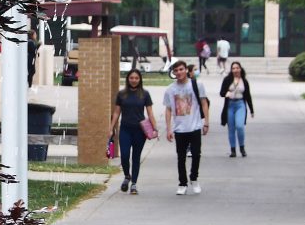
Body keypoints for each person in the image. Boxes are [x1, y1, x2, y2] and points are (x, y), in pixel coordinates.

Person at [164, 60, 209, 195]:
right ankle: (182, 183)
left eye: (181, 69)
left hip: (194, 126)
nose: (179, 72)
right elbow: (168, 109)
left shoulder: (196, 85)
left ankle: (194, 178)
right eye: (176, 70)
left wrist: (206, 122)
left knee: (196, 154)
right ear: (173, 73)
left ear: (186, 71)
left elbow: (204, 103)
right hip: (179, 128)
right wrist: (168, 128)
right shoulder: (170, 90)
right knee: (181, 157)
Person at [108, 69, 157, 195]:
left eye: (136, 78)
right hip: (125, 129)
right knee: (124, 155)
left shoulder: (144, 94)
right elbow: (116, 112)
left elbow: (150, 113)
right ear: (128, 79)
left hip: (140, 131)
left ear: (140, 79)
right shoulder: (122, 94)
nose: (134, 80)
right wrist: (111, 128)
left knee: (136, 157)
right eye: (131, 78)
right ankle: (126, 176)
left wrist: (155, 128)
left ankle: (134, 184)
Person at [219, 61, 254, 158]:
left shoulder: (244, 81)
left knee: (240, 126)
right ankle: (233, 150)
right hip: (230, 105)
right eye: (233, 68)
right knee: (231, 128)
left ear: (240, 69)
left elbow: (248, 96)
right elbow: (221, 92)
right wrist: (226, 94)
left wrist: (251, 110)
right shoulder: (227, 79)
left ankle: (242, 148)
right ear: (231, 70)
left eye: (237, 68)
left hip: (240, 104)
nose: (235, 70)